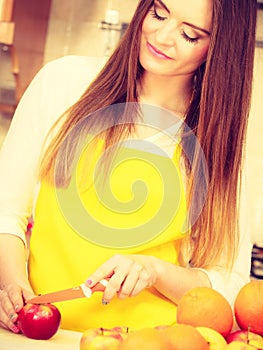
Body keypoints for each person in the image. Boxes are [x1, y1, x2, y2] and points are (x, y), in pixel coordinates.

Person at [0, 0, 257, 333]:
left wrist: (156, 271)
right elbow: (6, 212)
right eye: (158, 13)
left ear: (218, 49)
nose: (161, 36)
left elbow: (233, 285)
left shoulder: (218, 140)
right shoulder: (62, 83)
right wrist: (12, 284)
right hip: (43, 339)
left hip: (151, 341)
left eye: (189, 34)